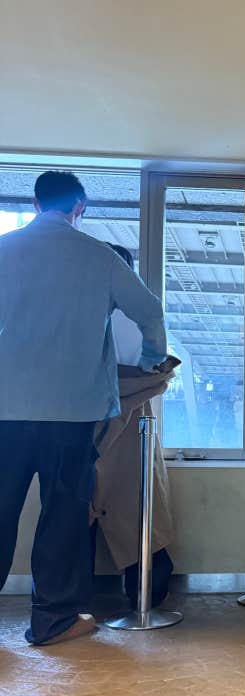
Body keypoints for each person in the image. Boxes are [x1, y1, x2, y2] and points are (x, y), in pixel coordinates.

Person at [0, 171, 167, 645]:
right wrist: (152, 359)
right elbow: (149, 311)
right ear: (79, 207)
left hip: (6, 410)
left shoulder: (4, 250)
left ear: (36, 203)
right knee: (63, 516)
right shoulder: (100, 256)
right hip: (73, 413)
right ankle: (53, 621)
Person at [91, 243, 177, 609]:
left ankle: (69, 601)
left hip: (86, 417)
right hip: (135, 419)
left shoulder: (86, 311)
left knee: (76, 510)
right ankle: (144, 595)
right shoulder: (140, 315)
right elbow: (154, 364)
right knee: (140, 510)